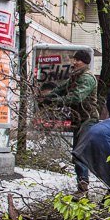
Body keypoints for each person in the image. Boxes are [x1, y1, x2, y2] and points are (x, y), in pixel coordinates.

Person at [41, 48, 99, 193]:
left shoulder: (86, 78)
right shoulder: (75, 77)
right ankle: (82, 182)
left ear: (84, 63)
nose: (74, 62)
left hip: (88, 120)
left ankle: (83, 183)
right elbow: (61, 89)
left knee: (80, 152)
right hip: (80, 120)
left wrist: (55, 101)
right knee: (78, 152)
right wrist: (46, 98)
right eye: (74, 59)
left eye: (77, 60)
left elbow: (77, 97)